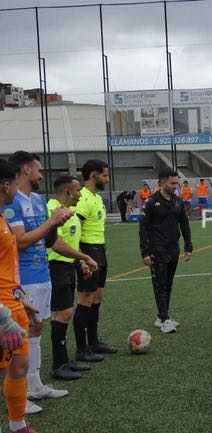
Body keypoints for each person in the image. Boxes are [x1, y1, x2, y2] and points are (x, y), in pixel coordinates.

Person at [4, 151, 97, 408]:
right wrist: (53, 221)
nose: (41, 174)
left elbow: (49, 241)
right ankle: (19, 394)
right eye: (38, 169)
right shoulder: (12, 201)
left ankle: (34, 385)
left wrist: (79, 253)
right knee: (20, 335)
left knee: (36, 328)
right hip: (22, 278)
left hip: (42, 275)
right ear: (25, 169)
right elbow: (20, 241)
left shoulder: (38, 200)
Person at [0, 158, 41, 433]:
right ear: (6, 185)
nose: (17, 189)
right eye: (15, 183)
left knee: (19, 366)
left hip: (13, 303)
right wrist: (3, 317)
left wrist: (20, 298)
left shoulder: (2, 218)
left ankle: (18, 425)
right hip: (3, 311)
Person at [46, 175, 97, 381]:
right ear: (68, 191)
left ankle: (64, 361)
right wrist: (84, 257)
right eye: (77, 191)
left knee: (65, 313)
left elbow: (70, 242)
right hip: (55, 266)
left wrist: (79, 262)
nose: (80, 195)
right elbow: (56, 244)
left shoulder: (69, 211)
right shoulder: (53, 210)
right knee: (62, 313)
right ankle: (59, 365)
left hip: (67, 266)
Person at [139, 169, 192, 334]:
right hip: (157, 250)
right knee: (160, 284)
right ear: (162, 183)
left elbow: (184, 224)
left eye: (176, 183)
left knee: (168, 283)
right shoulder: (150, 202)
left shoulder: (178, 201)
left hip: (173, 248)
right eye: (172, 183)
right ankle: (164, 319)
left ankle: (161, 316)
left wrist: (188, 246)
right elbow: (143, 229)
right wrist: (145, 252)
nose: (175, 186)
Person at [74, 159, 117, 363]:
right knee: (86, 298)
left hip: (99, 250)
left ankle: (93, 342)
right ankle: (81, 349)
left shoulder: (96, 197)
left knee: (97, 297)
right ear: (93, 175)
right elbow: (76, 228)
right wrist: (82, 258)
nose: (107, 179)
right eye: (104, 175)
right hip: (88, 250)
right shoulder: (83, 197)